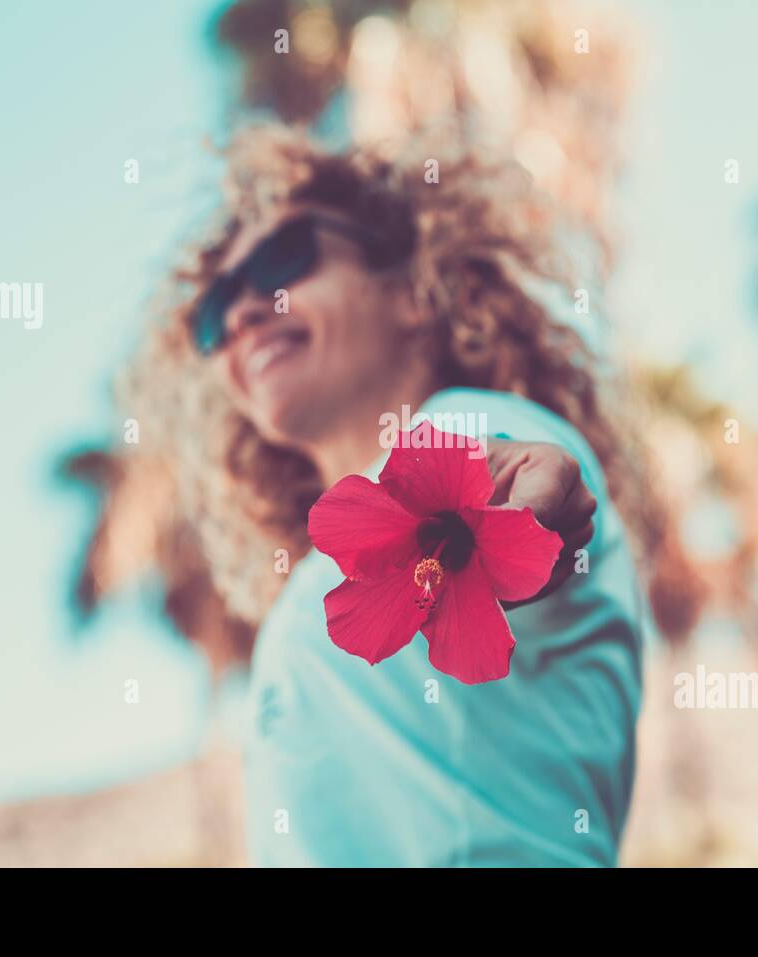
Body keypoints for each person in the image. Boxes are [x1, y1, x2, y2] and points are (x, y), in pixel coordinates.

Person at [129, 126, 649, 866]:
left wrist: (520, 504)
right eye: (215, 312)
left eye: (284, 260)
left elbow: (505, 472)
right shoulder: (332, 573)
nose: (243, 313)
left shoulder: (480, 423)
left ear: (414, 291)